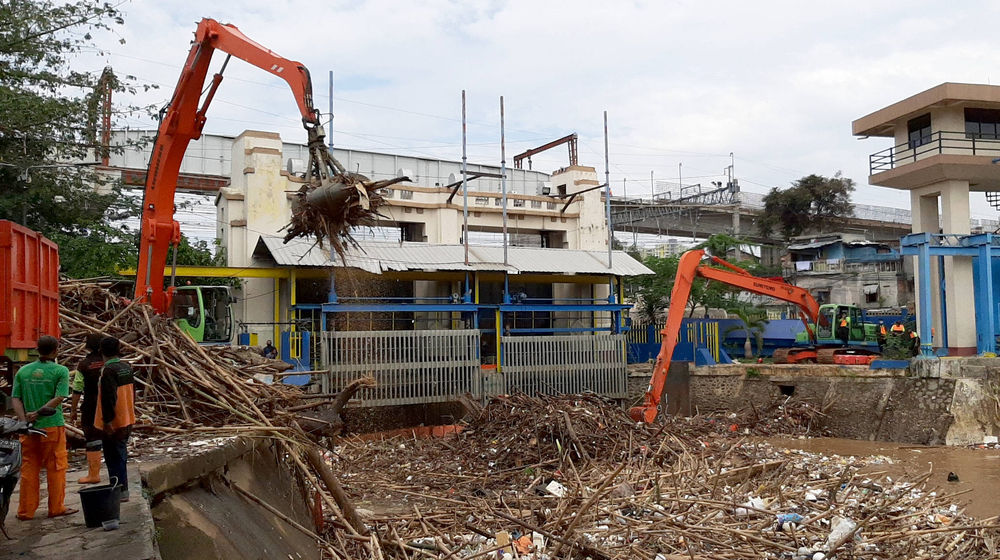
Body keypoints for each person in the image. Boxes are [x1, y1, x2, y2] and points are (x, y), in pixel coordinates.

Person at [11, 335, 75, 519]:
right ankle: (56, 508)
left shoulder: (23, 371)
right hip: (51, 426)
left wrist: (24, 420)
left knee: (29, 468)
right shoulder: (60, 371)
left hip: (28, 428)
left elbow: (16, 398)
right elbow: (60, 397)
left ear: (37, 350)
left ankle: (25, 511)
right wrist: (39, 413)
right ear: (55, 351)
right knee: (56, 467)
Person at [94, 336, 135, 502]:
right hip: (127, 417)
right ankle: (123, 488)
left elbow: (108, 398)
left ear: (101, 351)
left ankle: (120, 490)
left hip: (114, 421)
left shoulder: (108, 371)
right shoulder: (126, 367)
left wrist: (107, 421)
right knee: (121, 454)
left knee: (113, 458)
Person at [69, 333, 105, 484]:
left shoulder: (83, 365)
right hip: (110, 405)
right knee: (110, 439)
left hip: (91, 405)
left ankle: (93, 474)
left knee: (92, 438)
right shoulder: (108, 363)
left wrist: (73, 410)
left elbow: (77, 389)